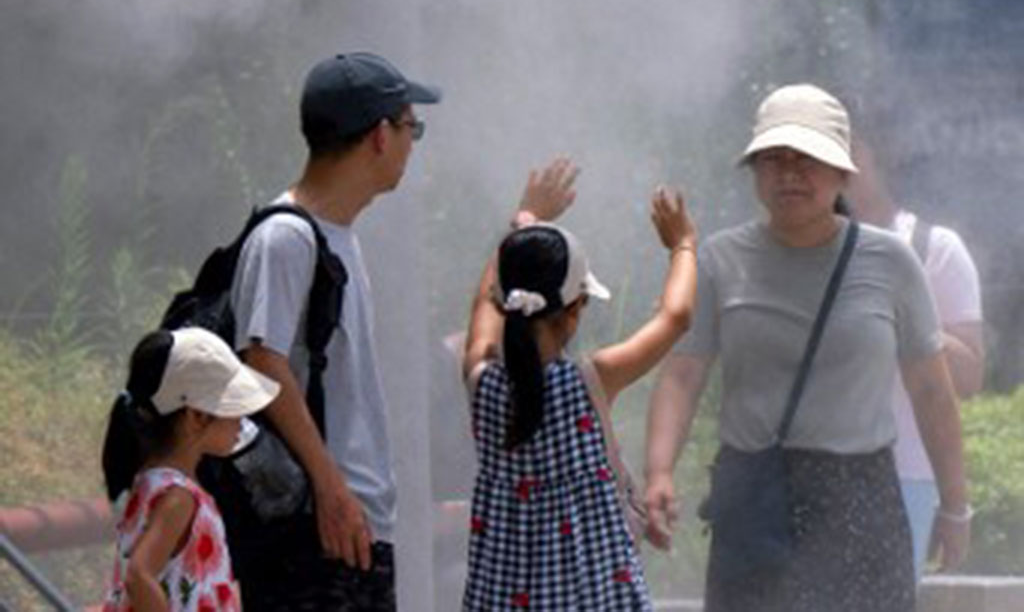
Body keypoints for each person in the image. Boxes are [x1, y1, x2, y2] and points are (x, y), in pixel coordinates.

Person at [645, 84, 970, 612]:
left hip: (860, 497)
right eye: (773, 160)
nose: (789, 174)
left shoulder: (890, 261)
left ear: (843, 172)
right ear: (753, 171)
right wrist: (659, 472)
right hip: (754, 497)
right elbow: (683, 374)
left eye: (807, 160)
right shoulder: (721, 261)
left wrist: (955, 508)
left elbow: (932, 391)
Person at [228, 52, 440, 611]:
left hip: (349, 520)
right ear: (378, 135)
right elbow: (261, 360)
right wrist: (331, 486)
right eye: (410, 126)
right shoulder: (286, 238)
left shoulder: (336, 235)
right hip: (315, 527)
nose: (412, 142)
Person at [461, 158, 698, 611]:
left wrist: (525, 221)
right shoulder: (591, 379)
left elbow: (482, 303)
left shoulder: (480, 378)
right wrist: (683, 245)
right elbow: (677, 315)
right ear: (576, 310)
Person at [846, 129, 984, 580]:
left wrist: (900, 318)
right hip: (802, 469)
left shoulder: (934, 248)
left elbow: (967, 378)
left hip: (903, 475)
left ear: (879, 155)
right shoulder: (800, 253)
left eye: (849, 150)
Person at [101, 327, 281, 612]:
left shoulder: (150, 481)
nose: (241, 419)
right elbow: (139, 576)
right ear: (196, 416)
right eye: (232, 407)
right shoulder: (178, 498)